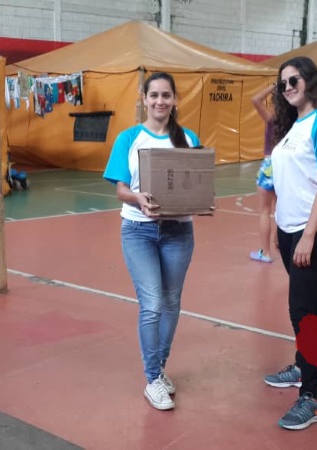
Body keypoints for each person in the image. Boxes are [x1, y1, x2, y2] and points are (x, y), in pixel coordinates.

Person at [102, 72, 201, 411]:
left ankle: (159, 370)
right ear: (144, 99)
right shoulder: (129, 138)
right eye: (154, 95)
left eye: (166, 95)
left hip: (179, 232)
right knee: (153, 304)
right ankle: (153, 378)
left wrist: (198, 202)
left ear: (174, 100)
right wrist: (138, 199)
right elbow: (121, 189)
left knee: (171, 303)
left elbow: (195, 185)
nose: (160, 101)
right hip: (138, 231)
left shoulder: (187, 138)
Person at [262, 56, 317, 430]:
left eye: (293, 80)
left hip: (315, 228)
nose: (288, 87)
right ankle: (302, 365)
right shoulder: (292, 126)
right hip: (289, 229)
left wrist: (308, 235)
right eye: (282, 83)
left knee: (301, 308)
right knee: (307, 302)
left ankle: (311, 398)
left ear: (309, 80)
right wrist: (280, 228)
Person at [249, 84, 278, 264]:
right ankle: (284, 243)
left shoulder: (272, 119)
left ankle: (266, 252)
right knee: (283, 210)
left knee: (265, 211)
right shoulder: (295, 122)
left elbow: (255, 99)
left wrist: (273, 85)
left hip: (270, 165)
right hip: (286, 166)